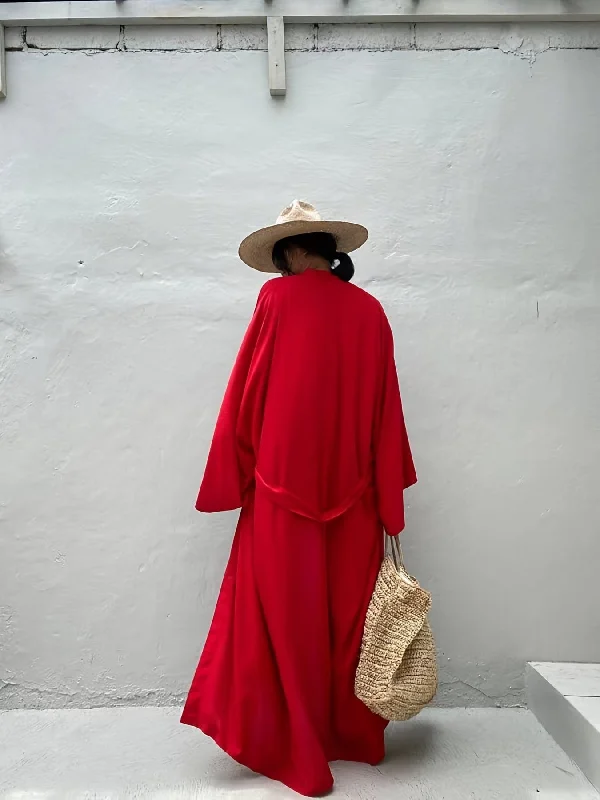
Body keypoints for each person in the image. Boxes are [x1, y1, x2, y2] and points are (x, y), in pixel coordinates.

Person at [181, 200, 417, 797]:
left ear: (289, 252)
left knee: (281, 624)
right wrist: (389, 498)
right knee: (348, 625)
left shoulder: (276, 301)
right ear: (328, 247)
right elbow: (387, 409)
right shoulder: (370, 311)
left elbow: (246, 390)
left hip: (280, 496)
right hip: (356, 497)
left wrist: (230, 477)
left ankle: (302, 753)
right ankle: (352, 739)